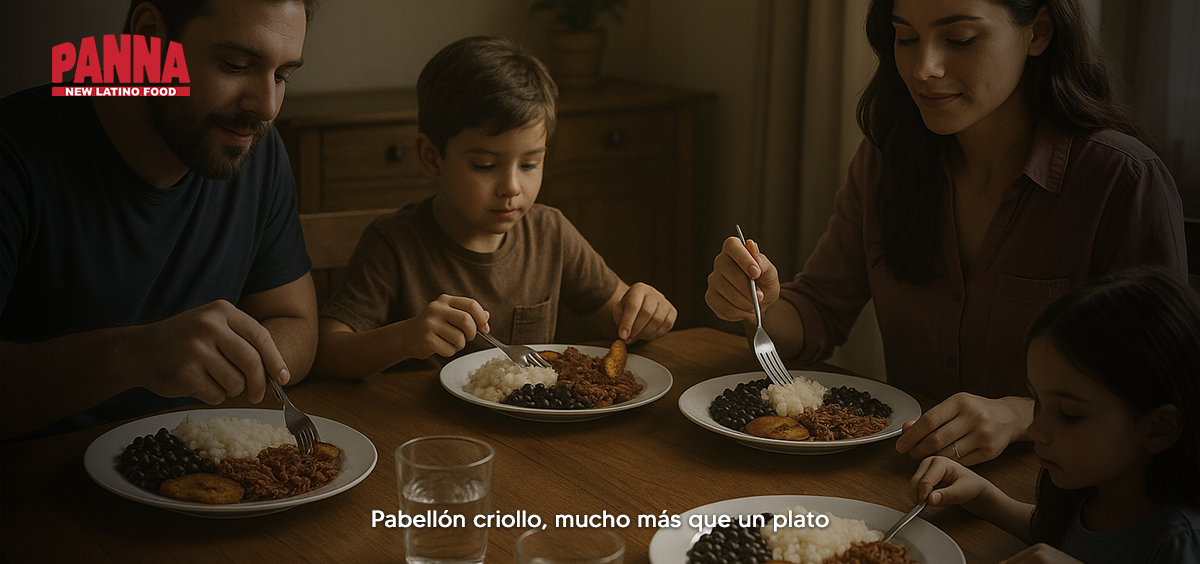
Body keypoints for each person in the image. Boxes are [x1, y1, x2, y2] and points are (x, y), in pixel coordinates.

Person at [705, 0, 1187, 465]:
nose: (923, 68)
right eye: (907, 38)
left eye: (959, 38)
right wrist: (758, 304)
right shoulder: (887, 160)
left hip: (1064, 500)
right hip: (908, 474)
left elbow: (1160, 391)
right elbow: (817, 313)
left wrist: (1022, 414)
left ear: (1038, 32)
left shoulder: (1121, 180)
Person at [0, 0, 319, 442]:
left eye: (282, 76)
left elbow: (297, 324)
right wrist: (134, 356)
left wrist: (237, 357)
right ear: (150, 36)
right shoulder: (14, 156)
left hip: (193, 478)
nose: (267, 106)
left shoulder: (252, 149)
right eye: (235, 64)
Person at [311, 36, 676, 380]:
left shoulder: (551, 232)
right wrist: (405, 338)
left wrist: (644, 311)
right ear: (431, 157)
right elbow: (328, 351)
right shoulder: (393, 245)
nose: (512, 187)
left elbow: (617, 317)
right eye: (485, 166)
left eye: (530, 164)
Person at [908, 268, 1200, 563]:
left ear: (1158, 429)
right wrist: (985, 497)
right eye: (1037, 401)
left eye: (1070, 414)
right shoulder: (1092, 490)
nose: (1036, 429)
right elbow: (1057, 532)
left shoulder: (1180, 542)